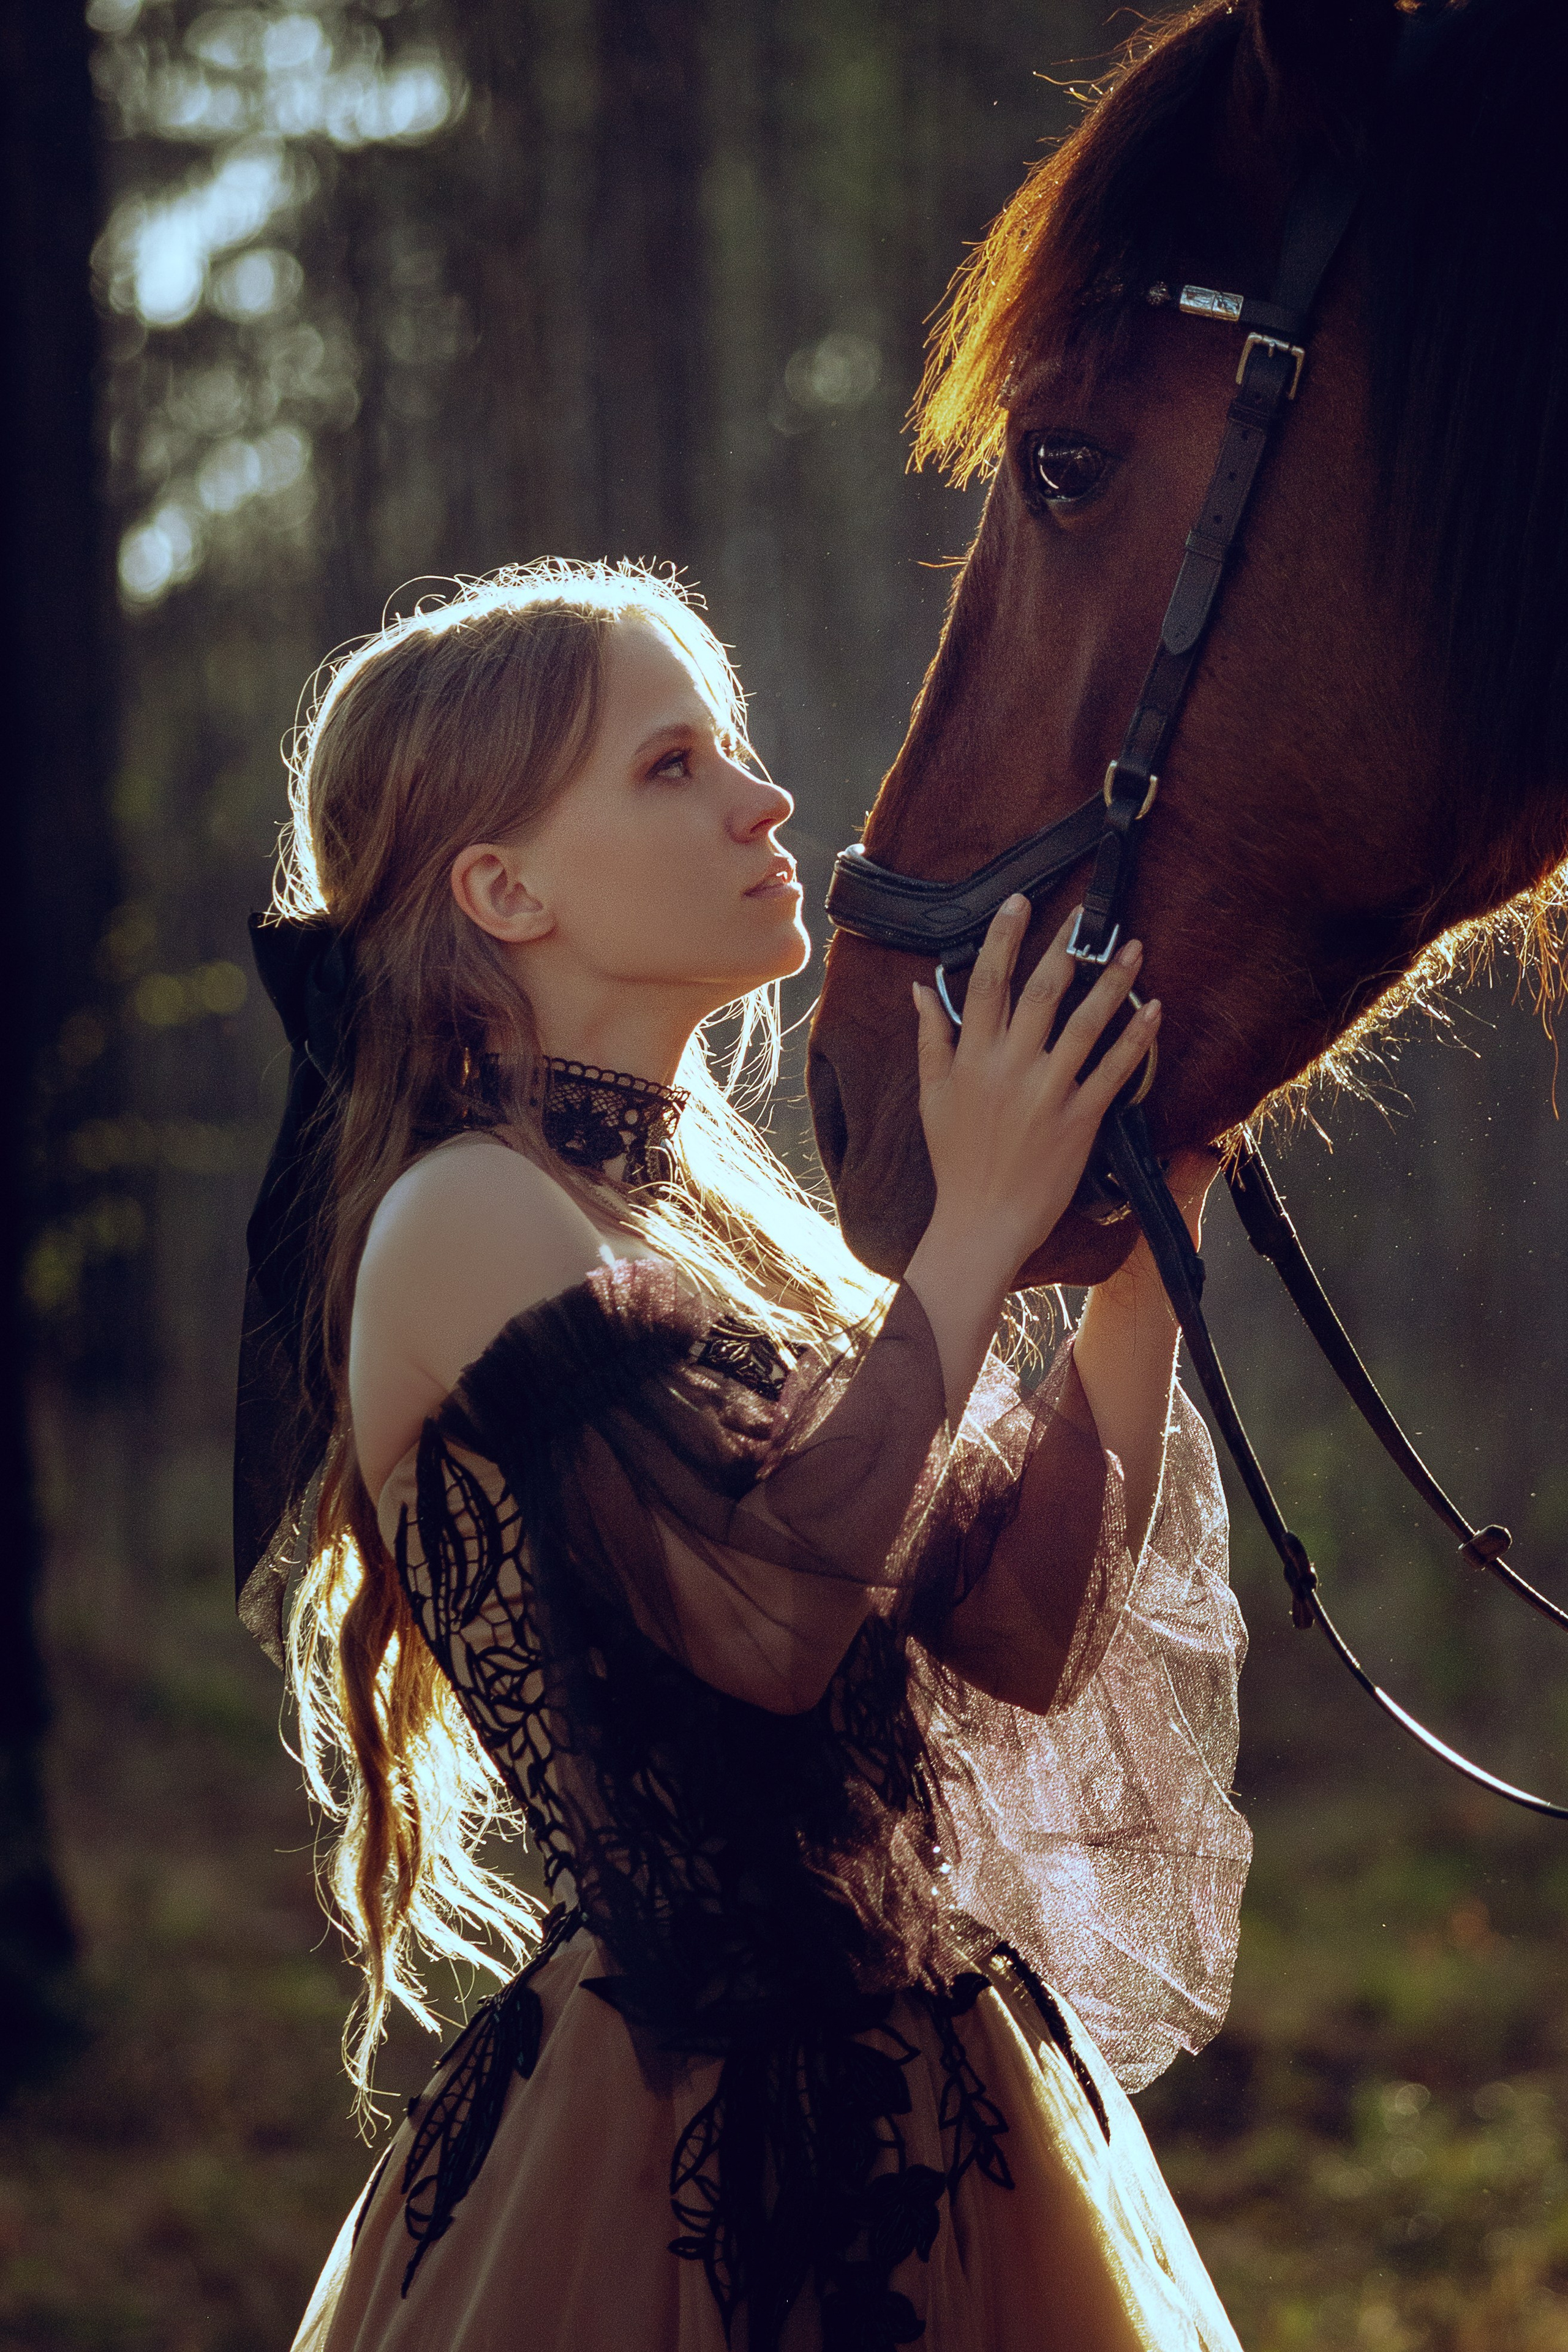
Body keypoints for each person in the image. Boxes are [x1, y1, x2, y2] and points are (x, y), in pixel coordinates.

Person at [233, 560, 1251, 2352]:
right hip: (660, 2162)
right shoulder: (462, 1213)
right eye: (672, 765)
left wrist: (1138, 1233)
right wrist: (974, 1231)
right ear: (503, 889)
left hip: (942, 2095)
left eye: (738, 748)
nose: (765, 800)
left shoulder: (702, 1228)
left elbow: (1020, 1630)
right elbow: (765, 1633)